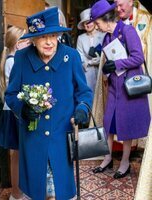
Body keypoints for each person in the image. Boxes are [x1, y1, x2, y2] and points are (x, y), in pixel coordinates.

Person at [5, 7, 93, 200]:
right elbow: (10, 94)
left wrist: (82, 109)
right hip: (32, 139)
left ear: (59, 35)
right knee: (36, 191)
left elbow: (84, 92)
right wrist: (22, 109)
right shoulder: (22, 58)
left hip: (61, 137)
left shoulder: (71, 57)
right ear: (33, 39)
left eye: (53, 35)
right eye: (43, 37)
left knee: (59, 191)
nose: (49, 42)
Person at [88, 0, 150, 179]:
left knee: (126, 125)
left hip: (128, 87)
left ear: (104, 18)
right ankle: (107, 158)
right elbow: (109, 60)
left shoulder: (128, 31)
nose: (96, 26)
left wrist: (116, 63)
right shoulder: (107, 36)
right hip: (115, 87)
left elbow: (138, 57)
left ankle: (125, 162)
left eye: (97, 22)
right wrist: (108, 71)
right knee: (109, 123)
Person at [0, 26, 30, 200]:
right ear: (18, 45)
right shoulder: (13, 61)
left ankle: (20, 191)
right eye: (27, 41)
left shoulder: (12, 59)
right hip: (14, 113)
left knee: (19, 154)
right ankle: (16, 194)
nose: (30, 44)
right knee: (16, 155)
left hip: (14, 111)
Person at [76, 8, 104, 93]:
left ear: (95, 22)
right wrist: (89, 62)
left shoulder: (103, 35)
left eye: (89, 22)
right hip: (87, 72)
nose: (88, 25)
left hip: (101, 71)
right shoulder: (81, 38)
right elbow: (79, 55)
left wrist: (101, 60)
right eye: (85, 23)